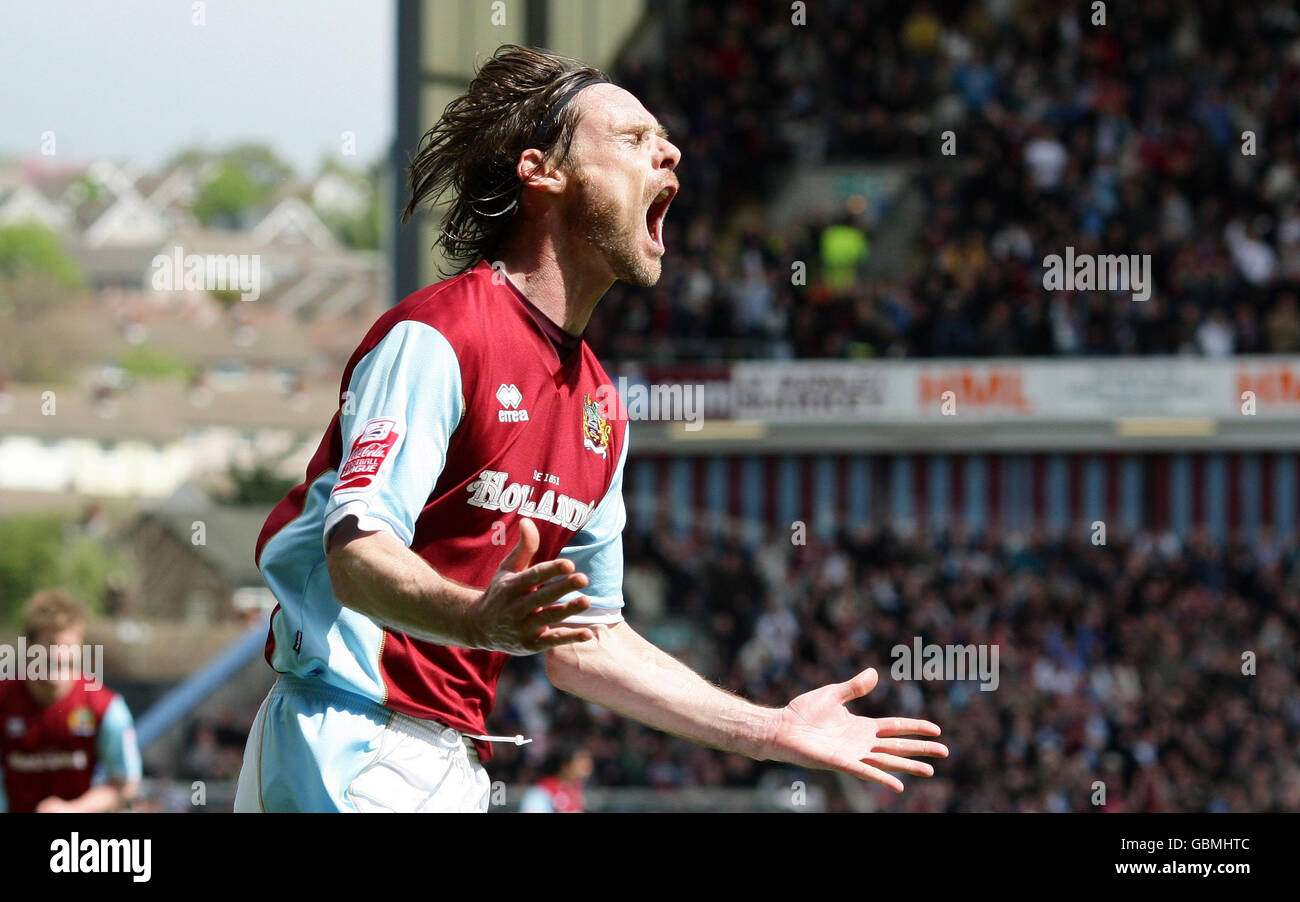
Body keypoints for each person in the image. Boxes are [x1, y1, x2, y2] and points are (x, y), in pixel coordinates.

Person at [234, 44, 946, 813]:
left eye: (665, 141)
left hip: (447, 759)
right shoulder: (440, 338)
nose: (669, 151)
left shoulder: (601, 406)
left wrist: (768, 730)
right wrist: (479, 619)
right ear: (543, 172)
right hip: (351, 736)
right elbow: (357, 555)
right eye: (634, 138)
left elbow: (587, 643)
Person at [0, 590, 142, 813]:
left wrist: (74, 810)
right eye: (49, 646)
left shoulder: (105, 708)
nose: (58, 657)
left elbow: (125, 783)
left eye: (66, 647)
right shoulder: (4, 700)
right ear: (29, 646)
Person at [518, 742, 593, 813]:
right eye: (581, 759)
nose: (588, 764)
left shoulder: (579, 791)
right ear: (565, 765)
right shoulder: (540, 793)